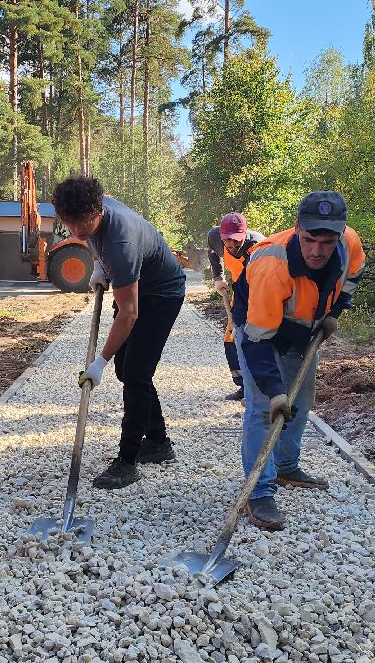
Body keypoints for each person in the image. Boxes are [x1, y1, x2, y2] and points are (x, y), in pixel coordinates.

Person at [232, 191, 365, 531]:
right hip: (258, 329)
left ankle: (287, 466)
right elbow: (258, 342)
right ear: (297, 230)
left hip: (302, 331)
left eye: (327, 241)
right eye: (309, 240)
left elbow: (351, 278)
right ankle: (259, 492)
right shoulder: (271, 266)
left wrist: (334, 313)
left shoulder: (349, 244)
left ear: (340, 233)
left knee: (301, 402)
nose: (318, 251)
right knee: (265, 408)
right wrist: (275, 390)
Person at [52, 175, 187, 489]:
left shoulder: (121, 244)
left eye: (82, 222)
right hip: (136, 285)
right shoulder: (92, 208)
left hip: (161, 294)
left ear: (99, 209)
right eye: (68, 223)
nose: (76, 231)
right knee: (126, 369)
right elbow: (89, 232)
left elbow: (129, 313)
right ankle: (158, 442)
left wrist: (98, 362)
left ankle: (127, 461)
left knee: (137, 375)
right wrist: (99, 264)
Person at [208, 212, 265, 402]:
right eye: (228, 241)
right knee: (230, 339)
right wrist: (218, 276)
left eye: (236, 240)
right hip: (238, 290)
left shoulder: (258, 246)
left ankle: (259, 387)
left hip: (260, 293)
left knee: (252, 337)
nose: (232, 245)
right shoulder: (215, 237)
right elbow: (212, 251)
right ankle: (243, 386)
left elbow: (261, 282)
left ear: (245, 234)